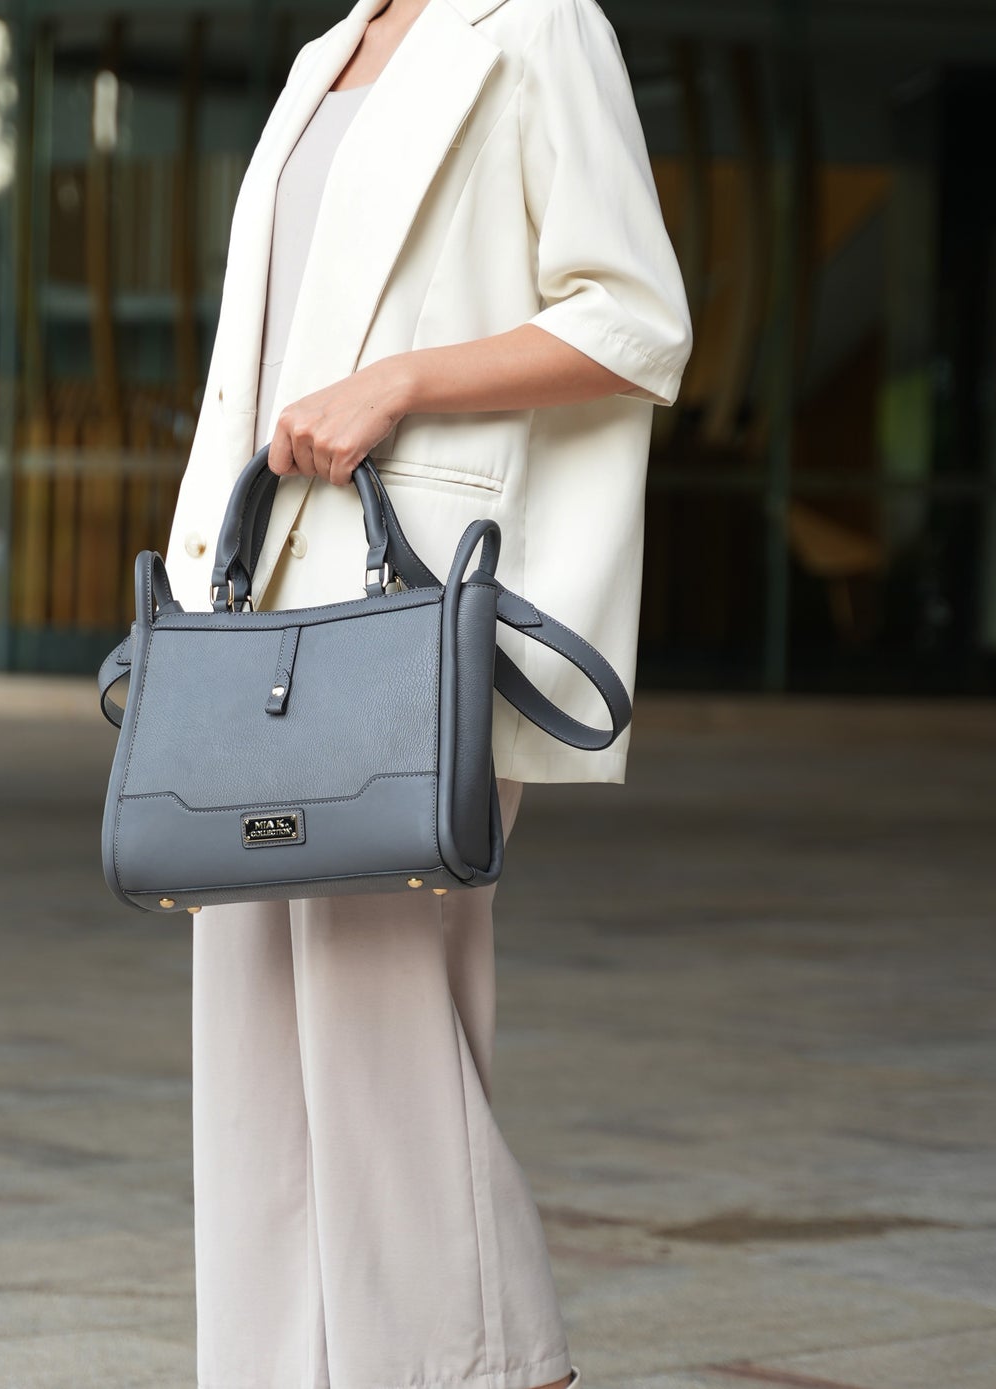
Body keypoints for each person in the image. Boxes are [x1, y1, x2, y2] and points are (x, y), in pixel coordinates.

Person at [163, 0, 693, 1385]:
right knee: (251, 1051)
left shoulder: (535, 26)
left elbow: (633, 319)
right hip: (266, 609)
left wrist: (397, 383)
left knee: (379, 1024)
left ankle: (485, 1361)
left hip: (408, 622)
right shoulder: (319, 56)